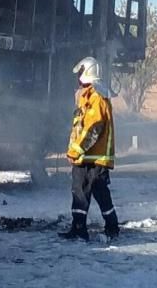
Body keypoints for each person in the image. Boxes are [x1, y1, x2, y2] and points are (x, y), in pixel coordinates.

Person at [59, 57, 119, 241]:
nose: (77, 77)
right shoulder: (89, 95)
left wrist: (76, 150)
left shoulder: (96, 97)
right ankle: (97, 227)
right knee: (93, 192)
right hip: (90, 157)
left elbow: (93, 128)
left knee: (83, 191)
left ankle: (85, 229)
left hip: (91, 156)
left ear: (86, 73)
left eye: (79, 73)